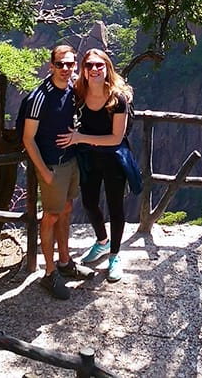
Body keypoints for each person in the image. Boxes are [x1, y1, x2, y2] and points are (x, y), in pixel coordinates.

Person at [22, 44, 94, 299]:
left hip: (71, 161)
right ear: (51, 65)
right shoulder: (40, 97)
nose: (65, 69)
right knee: (51, 215)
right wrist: (45, 172)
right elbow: (28, 139)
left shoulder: (73, 88)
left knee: (66, 209)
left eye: (70, 64)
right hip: (53, 165)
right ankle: (49, 273)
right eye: (60, 64)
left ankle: (65, 262)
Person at [56, 48, 133, 282]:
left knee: (115, 207)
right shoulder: (79, 93)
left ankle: (115, 255)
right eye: (89, 65)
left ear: (107, 67)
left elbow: (116, 138)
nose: (94, 69)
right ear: (84, 70)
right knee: (89, 203)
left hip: (114, 158)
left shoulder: (117, 99)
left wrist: (80, 138)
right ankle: (102, 242)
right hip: (89, 158)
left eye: (99, 65)